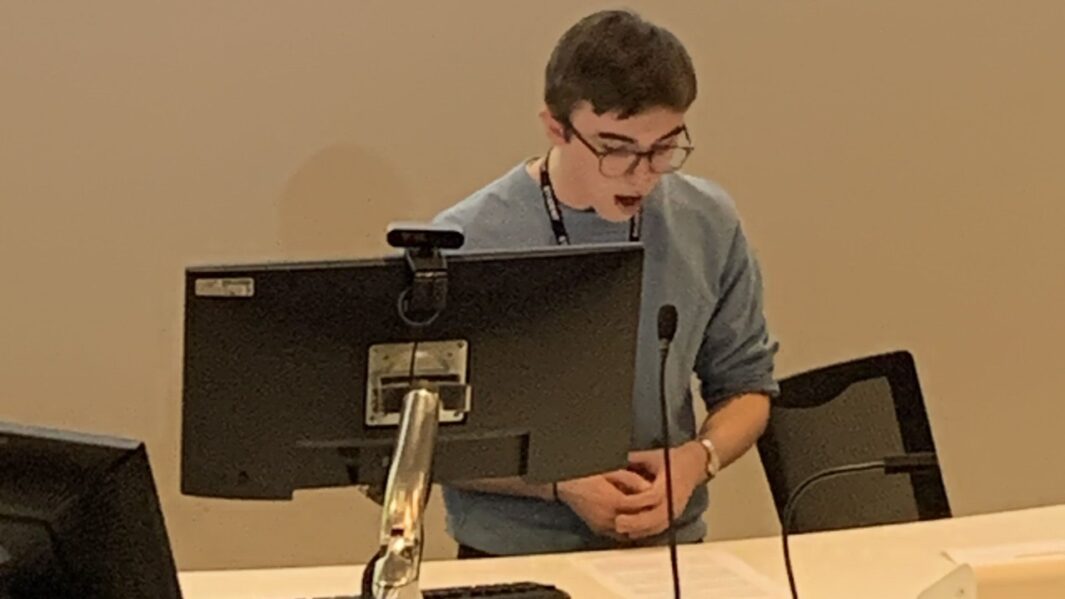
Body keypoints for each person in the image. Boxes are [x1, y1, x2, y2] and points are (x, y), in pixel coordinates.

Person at [432, 9, 779, 558]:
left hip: (671, 552)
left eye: (664, 147)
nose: (642, 173)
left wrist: (698, 459)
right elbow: (417, 440)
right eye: (615, 148)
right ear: (555, 127)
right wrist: (558, 483)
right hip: (510, 558)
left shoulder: (708, 220)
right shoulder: (461, 240)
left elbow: (748, 386)